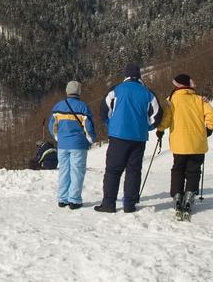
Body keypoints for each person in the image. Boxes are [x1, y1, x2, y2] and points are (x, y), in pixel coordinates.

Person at [94, 64, 163, 213]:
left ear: (125, 75)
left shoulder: (116, 90)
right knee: (133, 171)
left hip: (118, 136)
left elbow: (104, 110)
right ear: (139, 76)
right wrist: (147, 127)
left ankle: (108, 204)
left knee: (113, 170)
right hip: (138, 138)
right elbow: (156, 116)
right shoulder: (148, 93)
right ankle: (129, 205)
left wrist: (110, 124)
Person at [156, 74, 213, 214]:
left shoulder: (171, 100)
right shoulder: (200, 100)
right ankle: (190, 195)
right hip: (197, 143)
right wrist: (207, 130)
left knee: (178, 169)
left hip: (179, 144)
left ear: (178, 85)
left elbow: (165, 120)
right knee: (194, 170)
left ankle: (178, 195)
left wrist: (160, 131)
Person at [48, 80, 97, 209]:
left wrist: (58, 137)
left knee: (64, 171)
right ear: (79, 91)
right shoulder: (83, 107)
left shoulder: (58, 106)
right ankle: (74, 200)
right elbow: (89, 128)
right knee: (77, 172)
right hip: (78, 145)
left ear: (67, 91)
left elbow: (52, 126)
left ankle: (62, 198)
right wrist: (91, 140)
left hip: (63, 144)